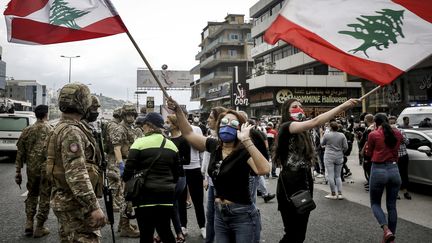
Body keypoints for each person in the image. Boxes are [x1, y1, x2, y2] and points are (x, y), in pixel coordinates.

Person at [168, 97, 271, 243]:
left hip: (243, 215)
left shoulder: (243, 151)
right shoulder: (215, 146)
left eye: (233, 123)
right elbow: (189, 133)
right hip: (220, 215)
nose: (227, 126)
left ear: (240, 128)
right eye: (223, 122)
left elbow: (264, 169)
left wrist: (246, 140)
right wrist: (178, 110)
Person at [273, 98, 359, 243]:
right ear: (286, 111)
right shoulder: (286, 127)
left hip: (305, 182)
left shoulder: (303, 133)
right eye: (294, 107)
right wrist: (343, 106)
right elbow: (316, 121)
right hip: (289, 185)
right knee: (292, 234)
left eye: (301, 106)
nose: (299, 109)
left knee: (300, 235)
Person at [46, 83, 106, 242]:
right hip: (75, 204)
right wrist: (93, 206)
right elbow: (76, 173)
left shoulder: (60, 127)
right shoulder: (72, 131)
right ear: (83, 102)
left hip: (65, 200)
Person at [122, 112, 180, 243]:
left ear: (149, 126)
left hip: (143, 195)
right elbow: (177, 174)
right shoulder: (171, 145)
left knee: (146, 233)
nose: (142, 128)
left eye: (144, 125)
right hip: (166, 195)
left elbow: (128, 172)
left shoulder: (139, 143)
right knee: (165, 230)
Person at [15, 105, 53, 238]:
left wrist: (18, 171)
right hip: (46, 169)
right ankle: (40, 227)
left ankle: (29, 223)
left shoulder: (27, 130)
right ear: (46, 115)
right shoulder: (51, 130)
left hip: (31, 169)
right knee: (45, 196)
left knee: (32, 194)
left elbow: (20, 152)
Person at [366, 113, 403, 243]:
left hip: (378, 169)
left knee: (375, 203)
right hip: (394, 169)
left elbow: (368, 152)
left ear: (375, 123)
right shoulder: (397, 133)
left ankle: (386, 230)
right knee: (392, 206)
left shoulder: (373, 134)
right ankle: (390, 238)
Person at [111, 103, 140, 237]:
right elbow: (117, 148)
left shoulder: (131, 128)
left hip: (132, 164)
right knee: (127, 197)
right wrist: (121, 166)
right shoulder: (120, 129)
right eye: (127, 114)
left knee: (129, 195)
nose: (130, 117)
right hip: (125, 163)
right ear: (123, 115)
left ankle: (123, 223)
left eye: (132, 114)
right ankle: (124, 226)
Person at [201, 106, 227, 243]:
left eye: (211, 117)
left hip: (222, 185)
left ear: (219, 120)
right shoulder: (211, 137)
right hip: (211, 183)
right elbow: (207, 159)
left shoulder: (226, 139)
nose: (208, 120)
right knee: (210, 215)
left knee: (220, 216)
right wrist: (205, 177)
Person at [165, 114, 191, 243]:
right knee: (171, 205)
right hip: (169, 177)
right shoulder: (167, 139)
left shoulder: (183, 140)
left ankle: (172, 232)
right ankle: (177, 233)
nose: (166, 124)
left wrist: (175, 159)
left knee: (170, 204)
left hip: (179, 176)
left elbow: (187, 160)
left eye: (168, 122)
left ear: (174, 124)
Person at [321, 121, 348, 199]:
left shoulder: (327, 135)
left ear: (330, 127)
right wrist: (341, 151)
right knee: (338, 176)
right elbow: (345, 147)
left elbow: (322, 144)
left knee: (330, 175)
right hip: (339, 156)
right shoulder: (342, 135)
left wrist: (321, 134)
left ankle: (333, 193)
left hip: (329, 156)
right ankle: (340, 194)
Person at [103, 107, 123, 212]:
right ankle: (114, 203)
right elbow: (114, 141)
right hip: (113, 156)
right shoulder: (113, 126)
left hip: (113, 155)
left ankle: (115, 203)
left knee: (116, 180)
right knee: (114, 179)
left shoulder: (111, 124)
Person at [388, 116, 412, 200]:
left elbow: (407, 142)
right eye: (390, 123)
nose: (392, 125)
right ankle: (396, 192)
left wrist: (401, 136)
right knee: (394, 175)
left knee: (404, 174)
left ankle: (405, 192)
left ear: (396, 123)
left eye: (393, 123)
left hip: (403, 155)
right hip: (393, 157)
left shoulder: (401, 131)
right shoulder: (387, 133)